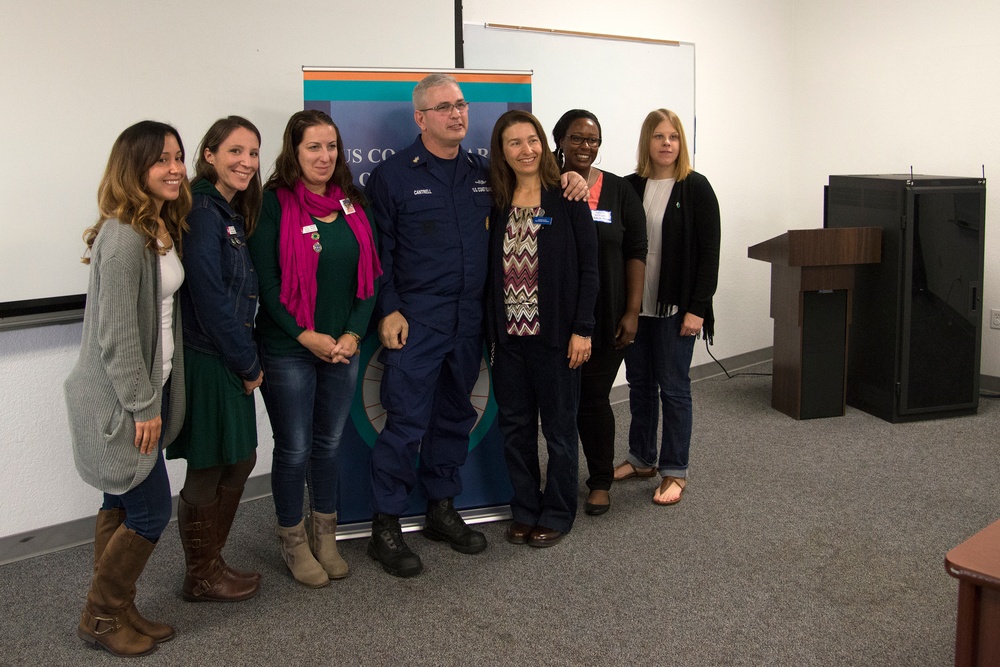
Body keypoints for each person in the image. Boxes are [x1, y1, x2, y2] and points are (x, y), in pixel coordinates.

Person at [365, 74, 587, 576]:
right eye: (443, 108)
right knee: (404, 424)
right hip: (417, 320)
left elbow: (538, 191)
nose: (457, 114)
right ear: (420, 118)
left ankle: (441, 508)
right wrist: (390, 309)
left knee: (453, 418)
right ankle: (385, 526)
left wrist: (572, 175)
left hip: (472, 321)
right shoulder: (393, 176)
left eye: (461, 105)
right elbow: (380, 253)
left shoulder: (486, 173)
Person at [64, 120, 191, 656]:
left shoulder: (156, 227)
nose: (176, 169)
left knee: (118, 496)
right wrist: (144, 407)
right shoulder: (122, 236)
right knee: (149, 510)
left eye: (178, 157)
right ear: (133, 167)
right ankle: (99, 616)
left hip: (145, 389)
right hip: (122, 399)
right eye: (161, 159)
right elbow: (116, 339)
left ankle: (119, 606)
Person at [247, 109, 380, 588]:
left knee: (328, 445)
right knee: (296, 448)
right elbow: (267, 282)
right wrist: (307, 335)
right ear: (294, 152)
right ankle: (294, 540)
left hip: (344, 348)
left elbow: (370, 278)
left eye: (331, 147)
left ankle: (326, 533)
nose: (325, 157)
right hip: (288, 349)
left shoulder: (353, 202)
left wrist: (352, 335)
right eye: (313, 148)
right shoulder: (273, 206)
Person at [485, 110, 599, 548]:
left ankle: (557, 511)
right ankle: (525, 508)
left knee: (558, 430)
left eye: (531, 140)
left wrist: (582, 329)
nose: (526, 150)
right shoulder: (497, 198)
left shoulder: (567, 196)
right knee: (514, 429)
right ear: (503, 151)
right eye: (514, 143)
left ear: (542, 142)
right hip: (509, 341)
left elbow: (589, 269)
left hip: (556, 340)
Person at [166, 116, 264, 602]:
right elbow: (208, 297)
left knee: (238, 457)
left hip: (226, 354)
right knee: (211, 464)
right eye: (235, 152)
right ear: (210, 155)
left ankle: (209, 564)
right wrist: (248, 364)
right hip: (211, 358)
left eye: (252, 153)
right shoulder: (204, 210)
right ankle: (201, 574)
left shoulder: (226, 208)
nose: (246, 162)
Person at [615, 109, 721, 506]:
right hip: (634, 305)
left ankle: (675, 470)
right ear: (647, 141)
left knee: (674, 388)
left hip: (676, 306)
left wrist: (698, 308)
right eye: (658, 136)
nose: (666, 143)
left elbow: (709, 253)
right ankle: (641, 458)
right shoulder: (628, 186)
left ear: (681, 143)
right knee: (640, 385)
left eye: (673, 137)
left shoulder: (696, 187)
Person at [552, 109, 647, 517]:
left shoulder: (620, 191)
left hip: (607, 317)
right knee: (558, 404)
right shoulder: (543, 186)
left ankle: (599, 481)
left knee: (592, 399)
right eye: (576, 138)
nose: (585, 147)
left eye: (593, 140)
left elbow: (637, 252)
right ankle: (557, 482)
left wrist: (632, 311)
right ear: (559, 140)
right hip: (555, 317)